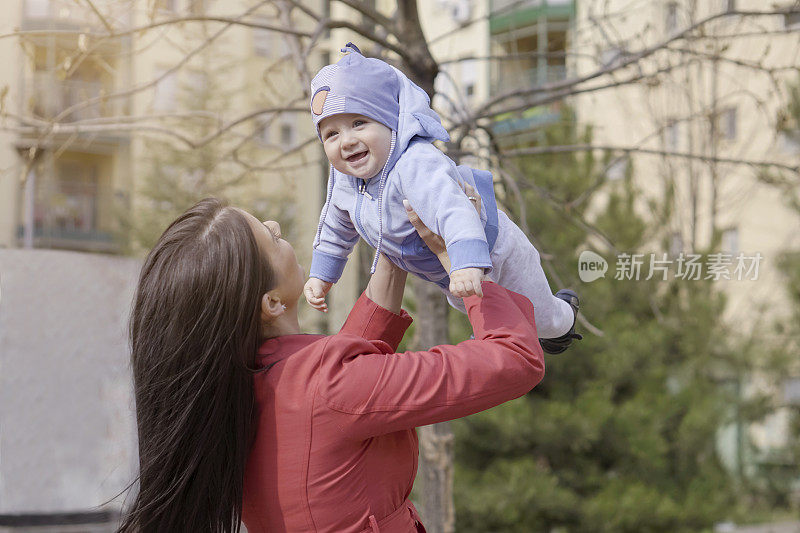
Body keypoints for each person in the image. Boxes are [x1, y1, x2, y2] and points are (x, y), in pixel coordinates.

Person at [118, 189, 545, 533]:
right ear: (271, 301)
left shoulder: (234, 389)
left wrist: (391, 244)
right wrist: (462, 262)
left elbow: (334, 388)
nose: (275, 225)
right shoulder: (329, 385)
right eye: (272, 238)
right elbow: (515, 358)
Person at [304, 43, 581, 354]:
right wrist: (322, 274)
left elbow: (453, 210)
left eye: (359, 123)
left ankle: (565, 318)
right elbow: (334, 228)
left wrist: (465, 263)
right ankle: (516, 331)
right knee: (478, 309)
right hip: (447, 271)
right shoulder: (345, 180)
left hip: (494, 249)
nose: (347, 141)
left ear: (392, 122)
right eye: (331, 134)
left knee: (541, 315)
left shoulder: (416, 164)